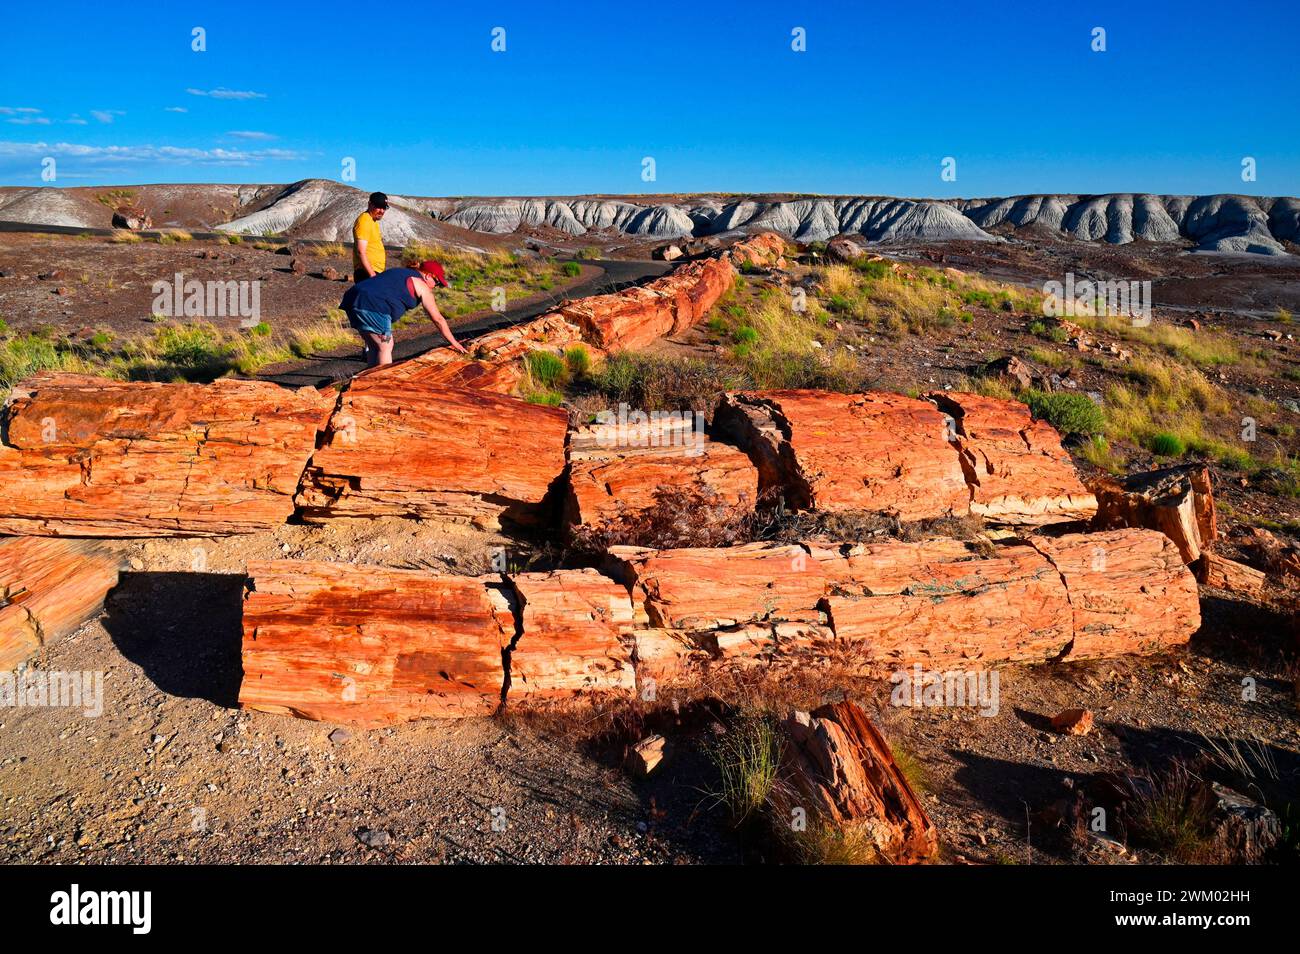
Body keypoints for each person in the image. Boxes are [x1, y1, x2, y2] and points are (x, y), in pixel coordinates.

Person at [340, 260, 467, 368]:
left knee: (375, 347)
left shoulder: (401, 272)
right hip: (374, 305)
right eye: (437, 282)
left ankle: (368, 381)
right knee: (385, 346)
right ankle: (383, 385)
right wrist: (454, 343)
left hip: (353, 299)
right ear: (428, 276)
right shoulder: (421, 284)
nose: (436, 286)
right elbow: (438, 319)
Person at [352, 192, 388, 282]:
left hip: (373, 272)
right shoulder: (364, 221)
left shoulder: (372, 220)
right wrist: (372, 275)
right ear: (369, 204)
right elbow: (361, 251)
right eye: (378, 207)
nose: (382, 211)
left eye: (384, 208)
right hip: (366, 273)